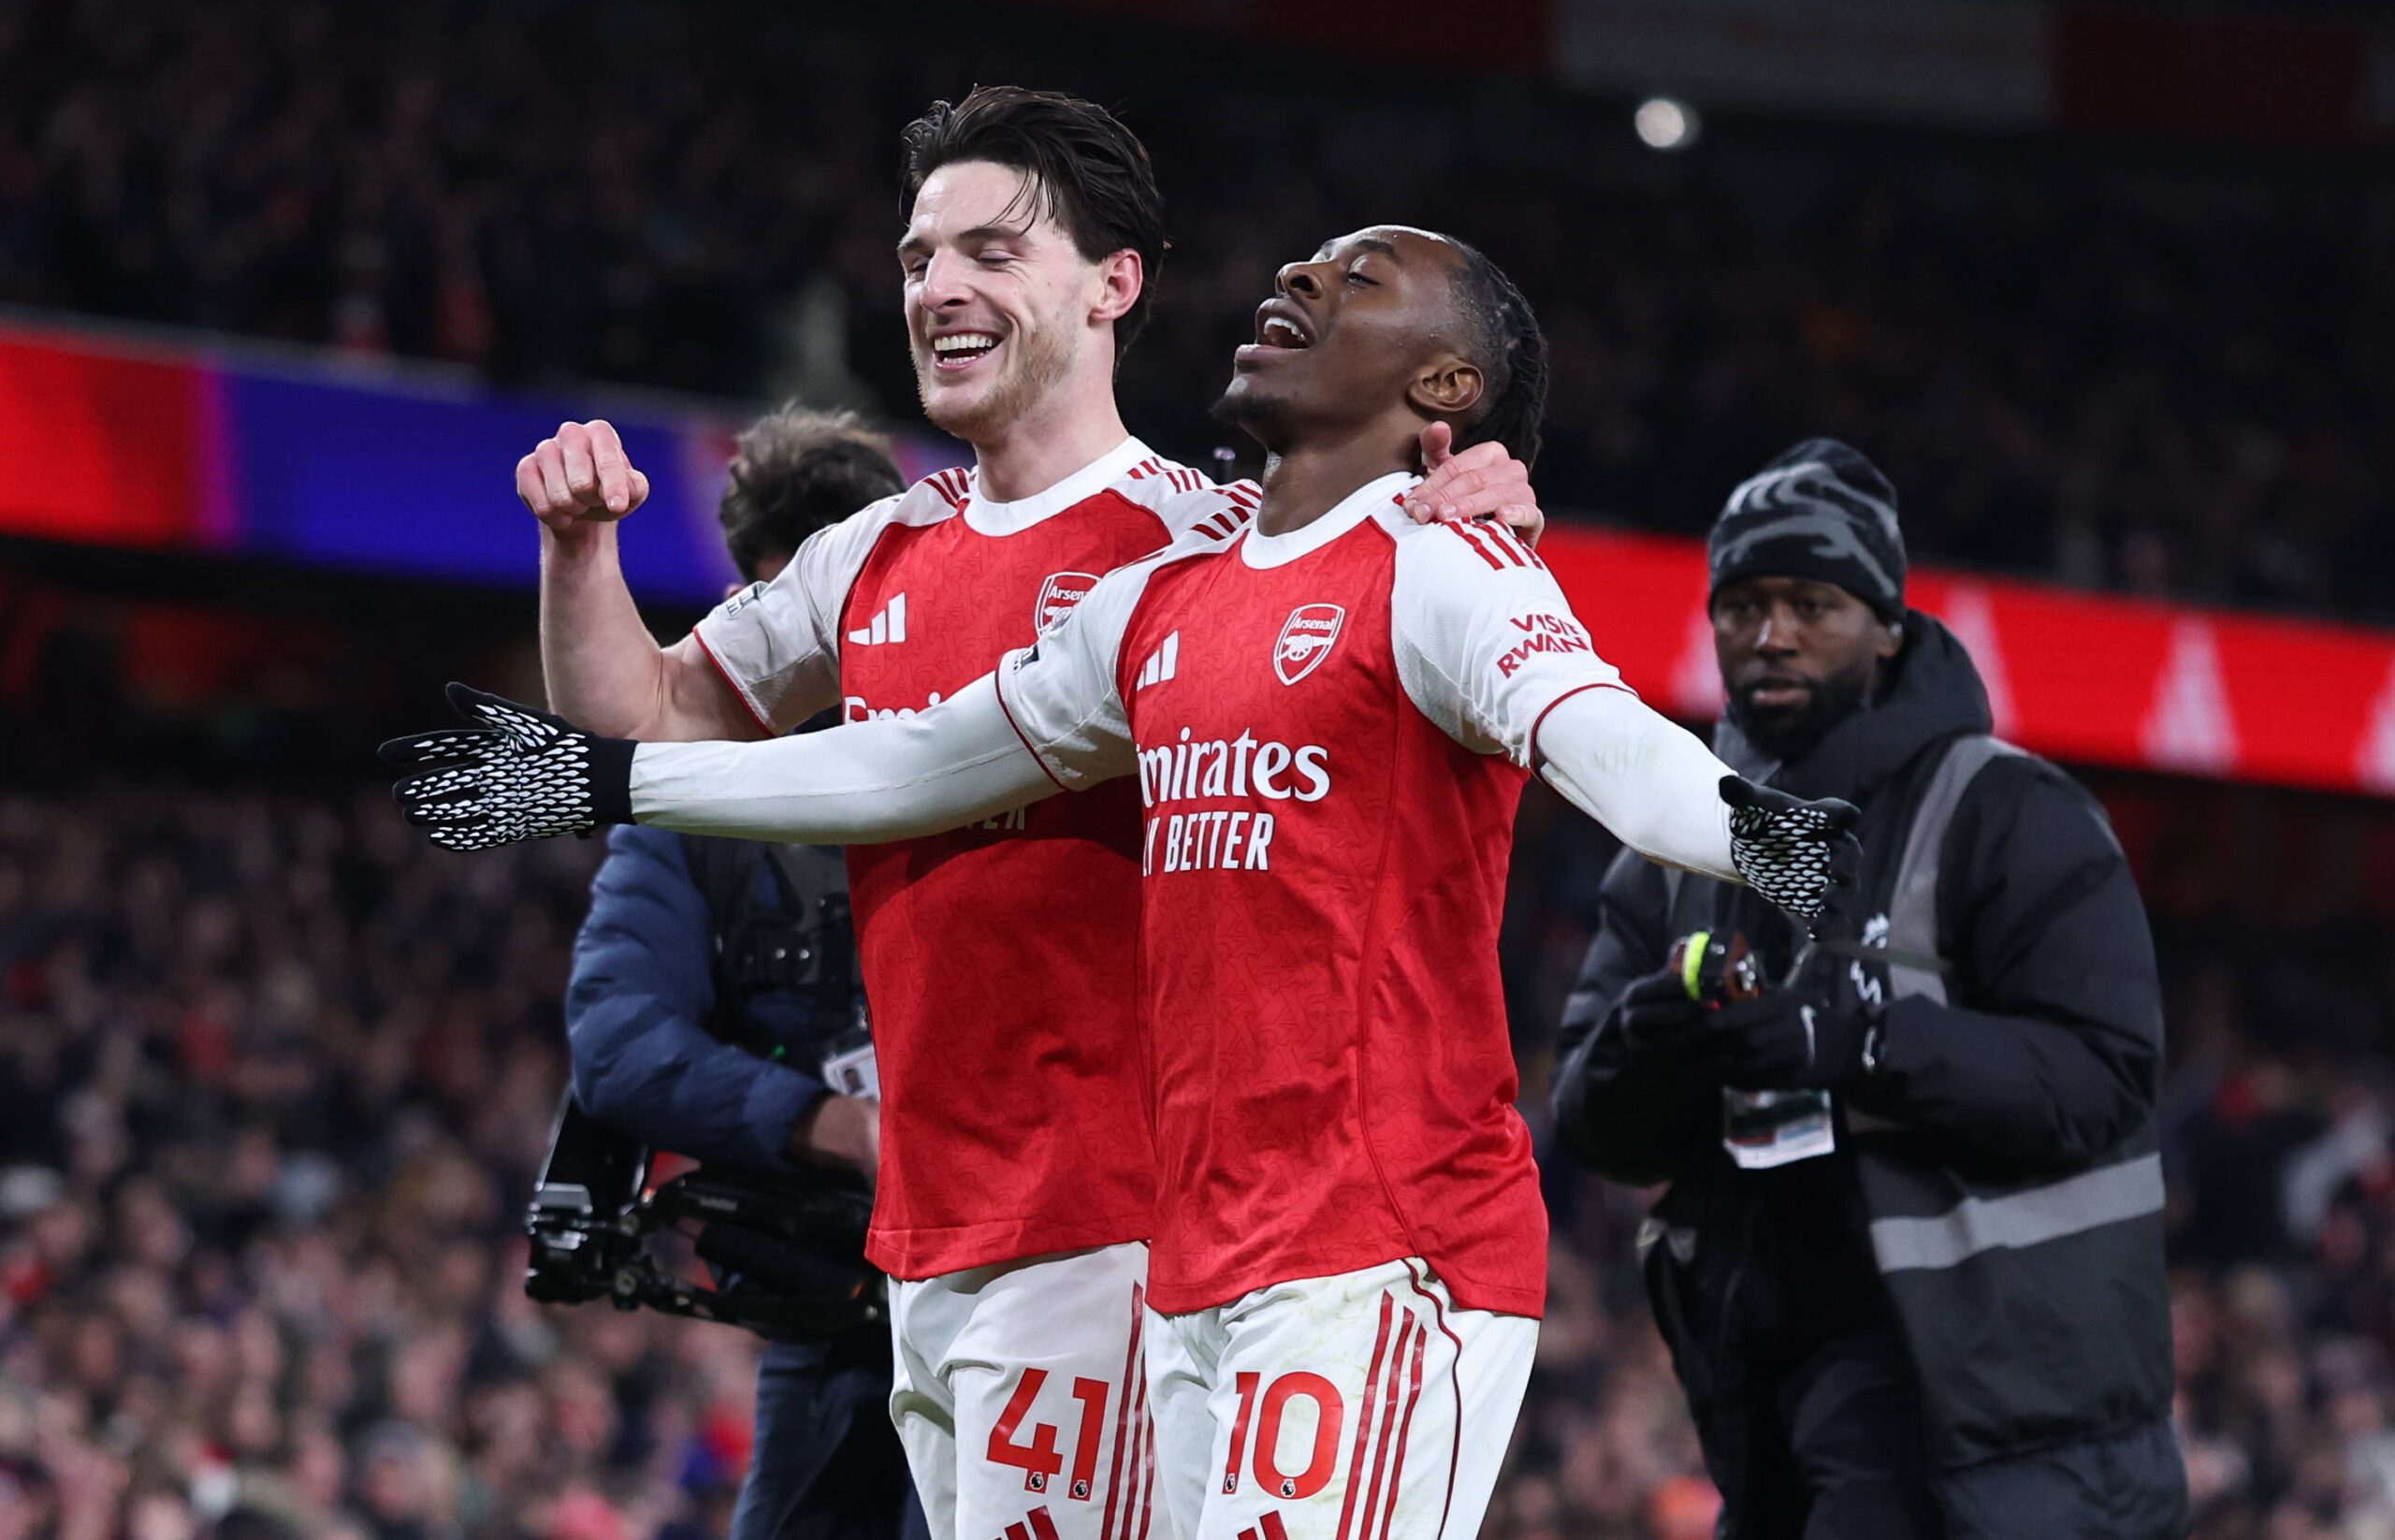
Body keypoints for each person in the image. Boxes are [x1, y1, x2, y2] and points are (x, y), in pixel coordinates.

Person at [384, 225, 1860, 1540]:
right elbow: (905, 768)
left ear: (1444, 393)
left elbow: (1603, 736)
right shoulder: (1164, 599)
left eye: (1361, 280)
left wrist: (1771, 836)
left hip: (1382, 1250)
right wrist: (614, 779)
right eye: (1306, 263)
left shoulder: (1444, 564)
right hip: (1193, 1265)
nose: (1299, 277)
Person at [507, 89, 1543, 1540]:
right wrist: (579, 550)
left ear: (1115, 282)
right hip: (930, 1224)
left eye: (993, 250)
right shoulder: (877, 550)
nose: (941, 287)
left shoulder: (1211, 543)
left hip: (1118, 1223)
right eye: (922, 254)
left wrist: (1464, 494)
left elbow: (1406, 613)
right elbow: (649, 716)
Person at [1547, 441, 2186, 1539]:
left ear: (1887, 625)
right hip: (1775, 1398)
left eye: (1811, 602)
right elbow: (1598, 1129)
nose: (1772, 634)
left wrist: (1859, 1038)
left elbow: (2104, 1077)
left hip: (2004, 1422)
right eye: (1742, 605)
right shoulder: (1673, 845)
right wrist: (1637, 1049)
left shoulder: (2010, 812)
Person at [560, 408, 922, 1540]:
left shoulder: (1005, 743)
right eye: (770, 616)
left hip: (1039, 1296)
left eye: (824, 618)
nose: (795, 658)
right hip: (836, 1322)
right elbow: (616, 1044)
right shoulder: (697, 805)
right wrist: (833, 1125)